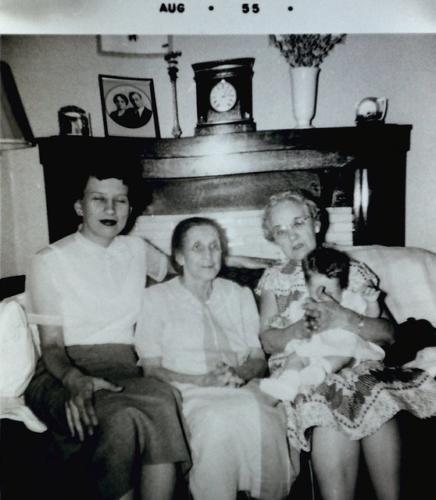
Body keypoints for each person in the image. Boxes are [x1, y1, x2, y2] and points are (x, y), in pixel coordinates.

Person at [24, 163, 191, 500]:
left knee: (163, 398)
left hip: (124, 368)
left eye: (121, 200)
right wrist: (75, 380)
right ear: (79, 206)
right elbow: (52, 346)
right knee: (121, 417)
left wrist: (250, 266)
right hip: (63, 370)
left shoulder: (136, 249)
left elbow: (189, 269)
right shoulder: (48, 260)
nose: (111, 210)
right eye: (99, 199)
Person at [257, 189, 436, 500]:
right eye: (280, 230)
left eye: (298, 222)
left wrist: (346, 318)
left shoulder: (348, 269)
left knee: (371, 393)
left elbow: (389, 335)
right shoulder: (274, 279)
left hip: (355, 360)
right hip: (302, 366)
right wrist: (302, 327)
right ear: (273, 238)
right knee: (327, 402)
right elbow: (267, 340)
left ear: (315, 222)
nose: (291, 235)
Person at [135, 217, 298, 500]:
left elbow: (258, 358)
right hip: (186, 391)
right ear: (179, 256)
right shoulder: (155, 298)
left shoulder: (239, 294)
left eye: (215, 247)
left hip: (241, 386)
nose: (209, 256)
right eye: (197, 247)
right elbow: (151, 369)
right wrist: (201, 379)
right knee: (216, 422)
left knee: (264, 415)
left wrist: (241, 374)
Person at [259, 246, 385, 402]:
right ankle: (288, 383)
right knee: (295, 357)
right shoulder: (304, 303)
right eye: (316, 290)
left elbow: (371, 317)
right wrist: (284, 322)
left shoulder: (350, 300)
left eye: (330, 291)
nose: (322, 295)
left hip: (342, 346)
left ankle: (317, 373)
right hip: (313, 347)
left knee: (341, 357)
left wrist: (372, 303)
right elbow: (291, 322)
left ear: (343, 286)